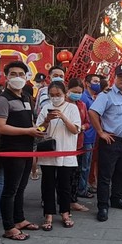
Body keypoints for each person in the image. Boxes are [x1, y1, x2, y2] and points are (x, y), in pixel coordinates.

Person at [0, 60, 45, 241]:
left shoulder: (27, 97)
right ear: (6, 77)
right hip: (11, 150)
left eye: (21, 74)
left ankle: (19, 219)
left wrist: (37, 130)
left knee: (21, 187)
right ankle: (8, 227)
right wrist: (27, 131)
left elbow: (29, 122)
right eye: (13, 74)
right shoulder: (2, 100)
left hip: (27, 149)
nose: (17, 78)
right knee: (10, 189)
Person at [89, 64, 122, 222]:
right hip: (111, 141)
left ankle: (116, 198)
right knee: (105, 176)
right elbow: (92, 112)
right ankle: (103, 205)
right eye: (120, 76)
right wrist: (101, 132)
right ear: (114, 77)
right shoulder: (106, 95)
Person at [35, 81, 81, 229]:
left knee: (64, 185)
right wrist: (47, 120)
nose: (55, 98)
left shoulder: (72, 108)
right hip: (48, 152)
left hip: (66, 151)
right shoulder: (45, 108)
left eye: (58, 95)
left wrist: (63, 117)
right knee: (47, 184)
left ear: (65, 93)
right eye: (52, 95)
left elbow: (75, 130)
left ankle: (65, 212)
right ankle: (48, 214)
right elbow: (39, 130)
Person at [65, 79, 90, 213]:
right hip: (63, 145)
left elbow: (87, 122)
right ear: (68, 90)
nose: (77, 94)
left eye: (79, 92)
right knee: (61, 175)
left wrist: (82, 127)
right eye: (74, 92)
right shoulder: (62, 104)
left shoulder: (82, 105)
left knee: (75, 174)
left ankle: (73, 200)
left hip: (78, 144)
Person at [79, 73, 102, 197]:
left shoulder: (93, 97)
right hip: (86, 136)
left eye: (98, 81)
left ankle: (85, 186)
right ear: (87, 83)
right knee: (84, 166)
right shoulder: (83, 98)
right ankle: (82, 189)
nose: (97, 84)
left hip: (92, 135)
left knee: (88, 165)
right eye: (95, 81)